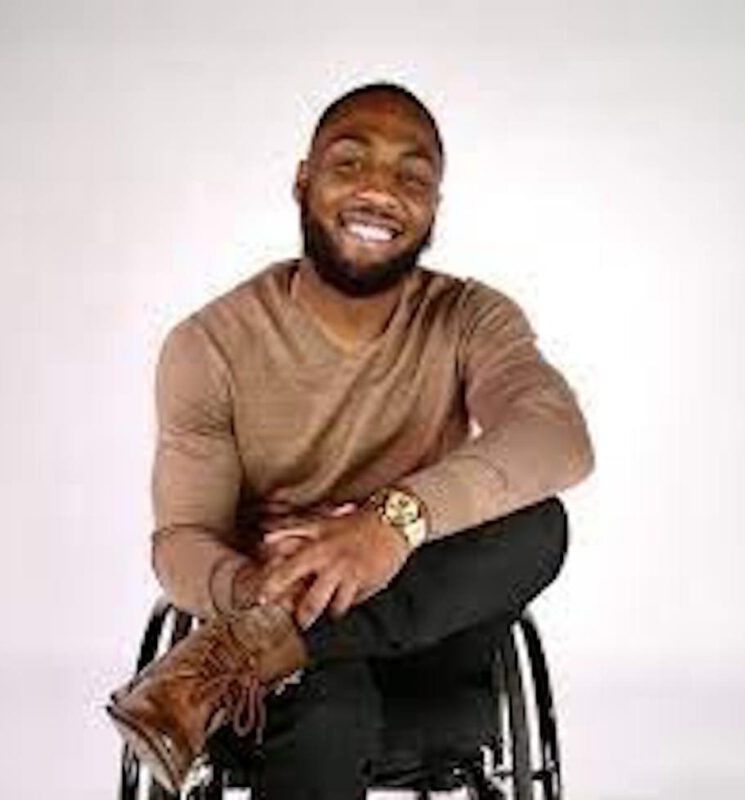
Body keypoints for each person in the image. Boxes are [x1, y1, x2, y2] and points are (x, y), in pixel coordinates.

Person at [107, 81, 595, 799]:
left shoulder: (470, 317)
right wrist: (257, 588)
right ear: (302, 182)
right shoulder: (209, 345)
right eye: (349, 163)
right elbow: (181, 539)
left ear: (433, 207)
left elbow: (557, 436)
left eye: (412, 175)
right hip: (287, 669)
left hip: (428, 629)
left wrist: (388, 525)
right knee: (328, 706)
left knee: (539, 523)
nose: (379, 191)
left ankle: (256, 649)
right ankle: (269, 642)